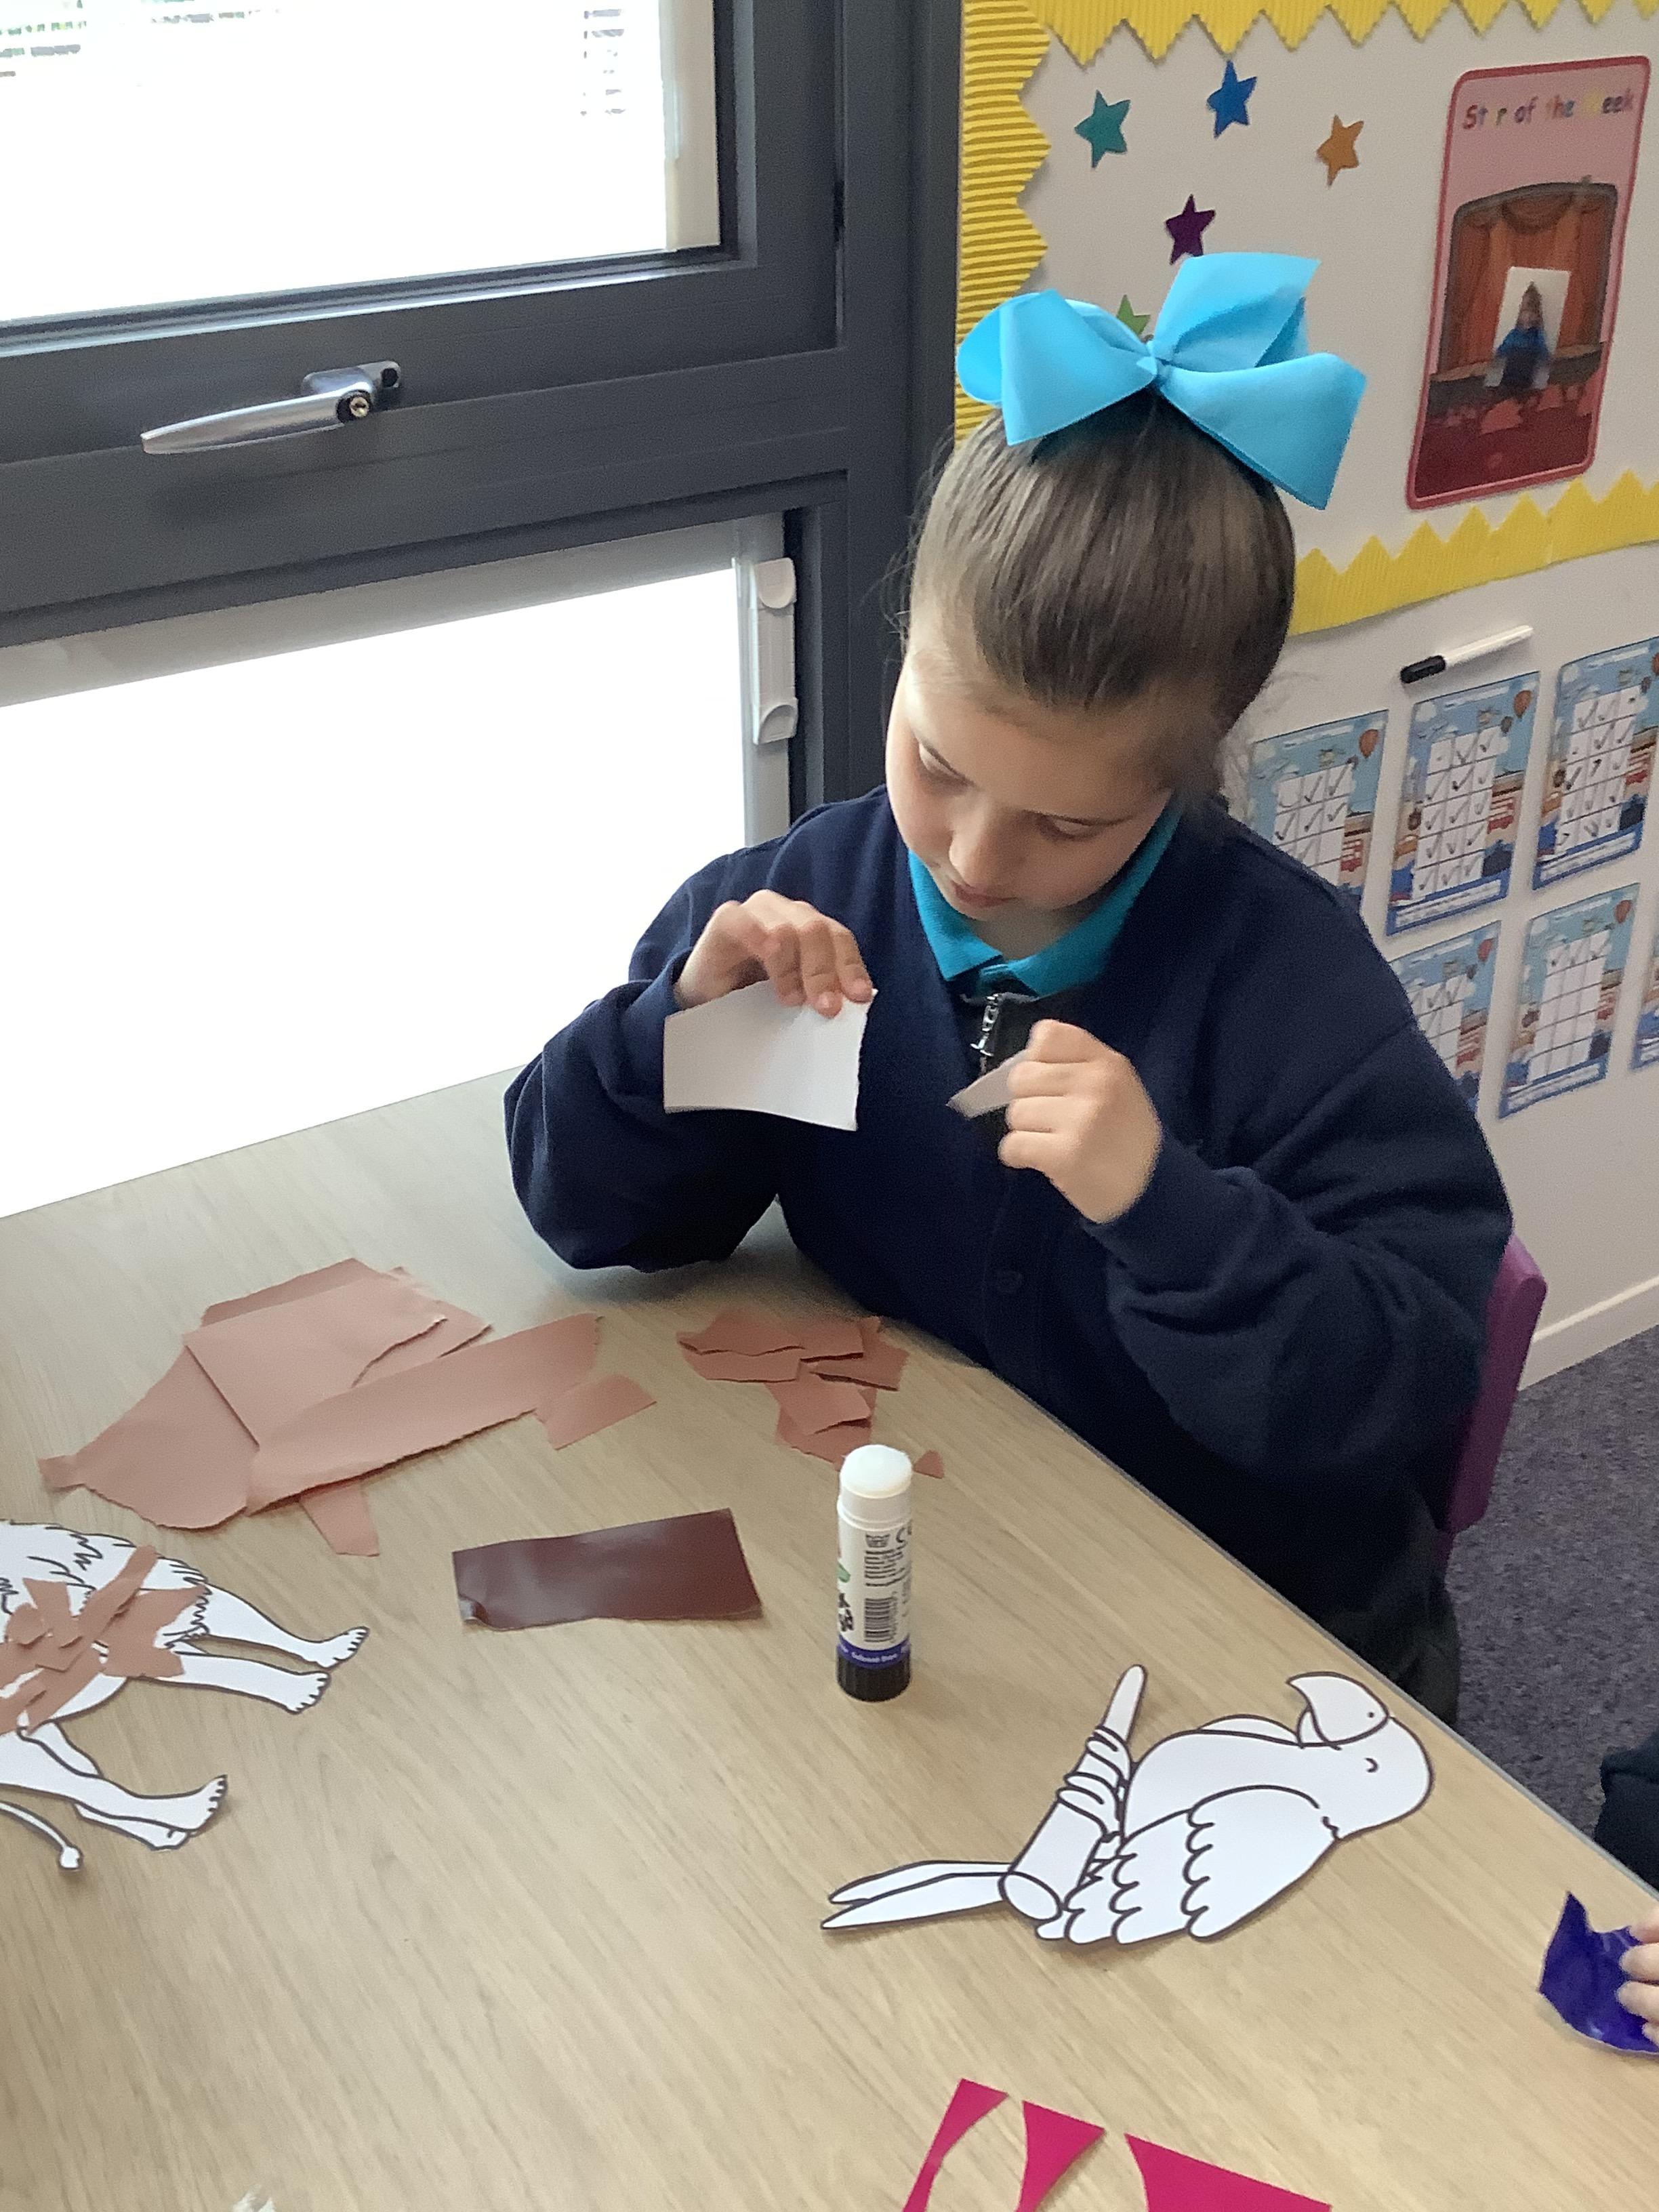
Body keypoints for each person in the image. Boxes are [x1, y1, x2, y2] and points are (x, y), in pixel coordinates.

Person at [507, 256, 1512, 1719]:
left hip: (1244, 1630)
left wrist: (1166, 1209)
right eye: (935, 761)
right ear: (902, 653)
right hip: (958, 1552)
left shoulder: (1290, 995)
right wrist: (680, 1041)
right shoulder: (812, 897)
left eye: (1066, 823)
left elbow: (1399, 1390)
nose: (974, 857)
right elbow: (586, 1216)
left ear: (1184, 777)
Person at [1490, 281, 1551, 393]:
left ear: (1538, 316)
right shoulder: (1514, 333)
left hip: (1525, 378)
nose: (1528, 317)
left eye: (1533, 313)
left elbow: (1543, 351)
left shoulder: (1537, 335)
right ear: (1520, 313)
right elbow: (1504, 348)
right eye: (1525, 312)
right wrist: (1496, 355)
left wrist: (1547, 358)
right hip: (1509, 377)